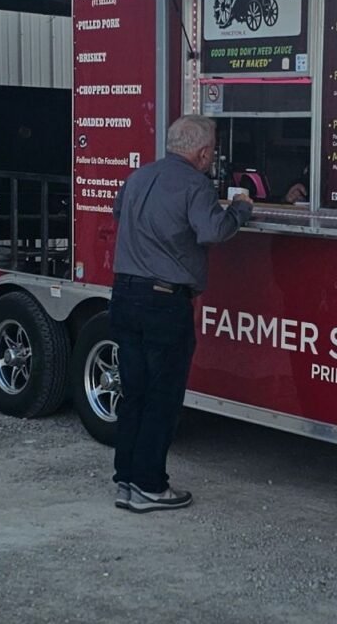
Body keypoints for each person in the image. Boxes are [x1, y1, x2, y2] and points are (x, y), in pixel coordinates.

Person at [110, 114, 253, 513]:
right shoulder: (196, 184)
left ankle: (127, 480)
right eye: (211, 152)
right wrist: (241, 209)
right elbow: (213, 232)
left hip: (124, 296)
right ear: (204, 152)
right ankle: (151, 487)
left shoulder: (138, 177)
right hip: (163, 303)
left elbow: (119, 215)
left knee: (134, 394)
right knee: (162, 397)